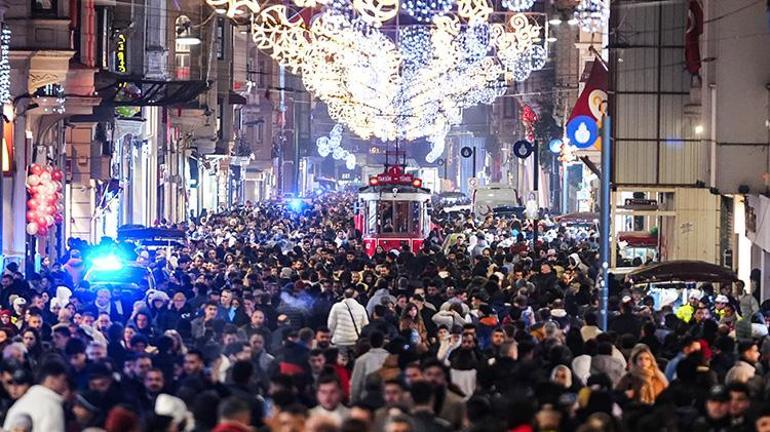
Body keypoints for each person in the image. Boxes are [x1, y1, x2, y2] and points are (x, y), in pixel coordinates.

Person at [3, 359, 69, 432]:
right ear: (51, 380)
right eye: (63, 380)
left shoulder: (19, 404)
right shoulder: (52, 407)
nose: (65, 385)